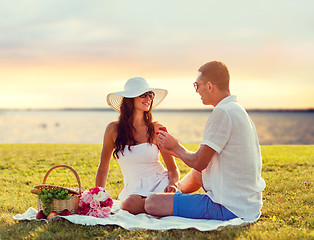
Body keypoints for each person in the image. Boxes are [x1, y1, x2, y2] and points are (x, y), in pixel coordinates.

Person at [144, 61, 266, 222]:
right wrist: (172, 149)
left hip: (229, 208)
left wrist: (175, 146)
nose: (197, 91)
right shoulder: (236, 109)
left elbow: (199, 162)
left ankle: (170, 199)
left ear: (210, 86)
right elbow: (202, 164)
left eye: (197, 85)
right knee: (198, 174)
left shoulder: (222, 112)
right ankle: (176, 192)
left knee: (152, 203)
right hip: (247, 203)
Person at [95, 77, 180, 215]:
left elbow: (172, 169)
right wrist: (97, 196)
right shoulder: (112, 130)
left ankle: (161, 204)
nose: (148, 98)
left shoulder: (157, 129)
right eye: (143, 94)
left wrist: (173, 184)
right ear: (130, 99)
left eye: (150, 94)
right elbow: (103, 168)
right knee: (129, 204)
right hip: (134, 192)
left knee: (144, 203)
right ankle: (159, 207)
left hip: (161, 185)